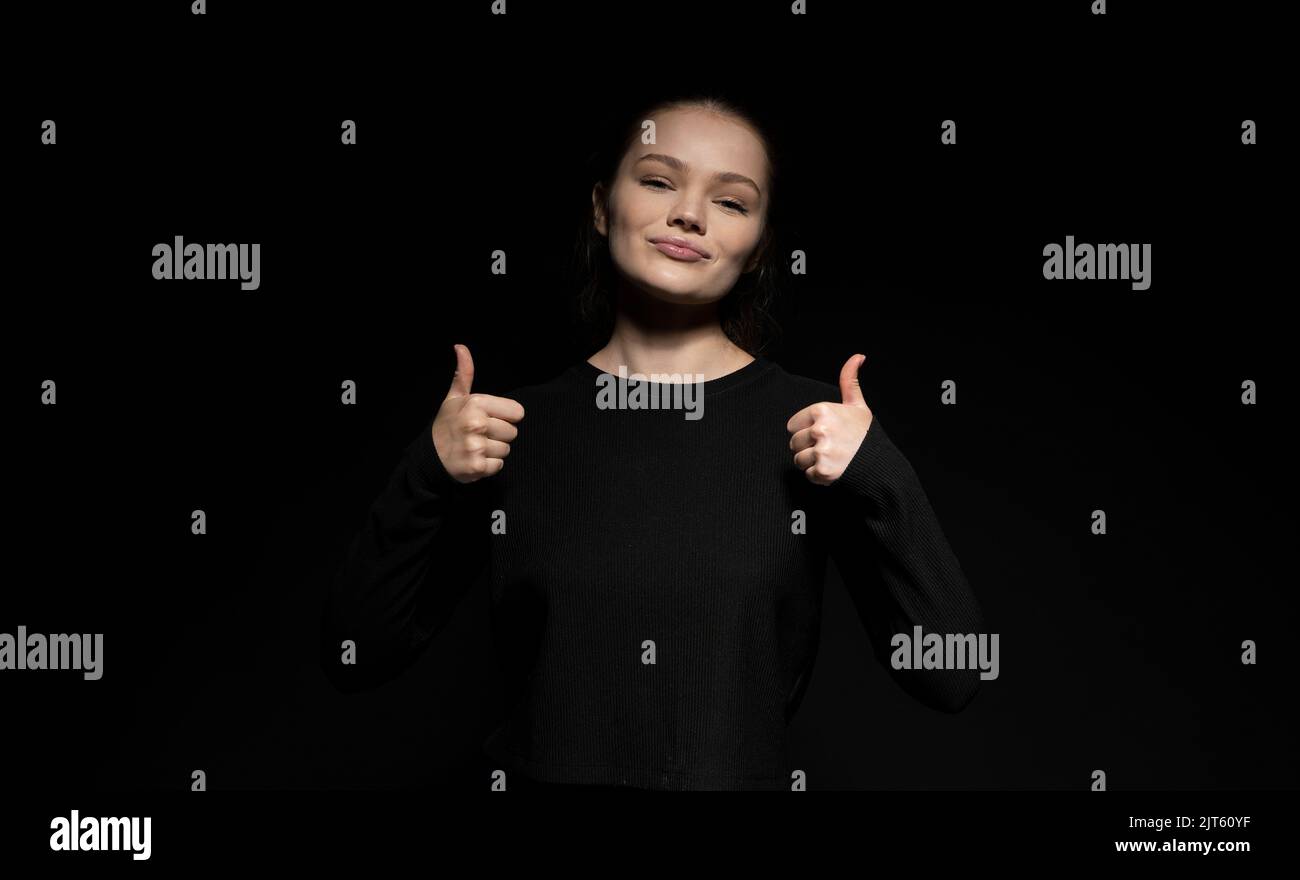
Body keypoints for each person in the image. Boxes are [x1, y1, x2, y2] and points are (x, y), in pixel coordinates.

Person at [322, 93, 987, 791]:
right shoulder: (507, 430)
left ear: (759, 248)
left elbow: (954, 675)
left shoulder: (816, 430)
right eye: (658, 180)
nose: (690, 215)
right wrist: (426, 470)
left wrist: (880, 472)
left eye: (731, 201)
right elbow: (355, 656)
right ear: (603, 205)